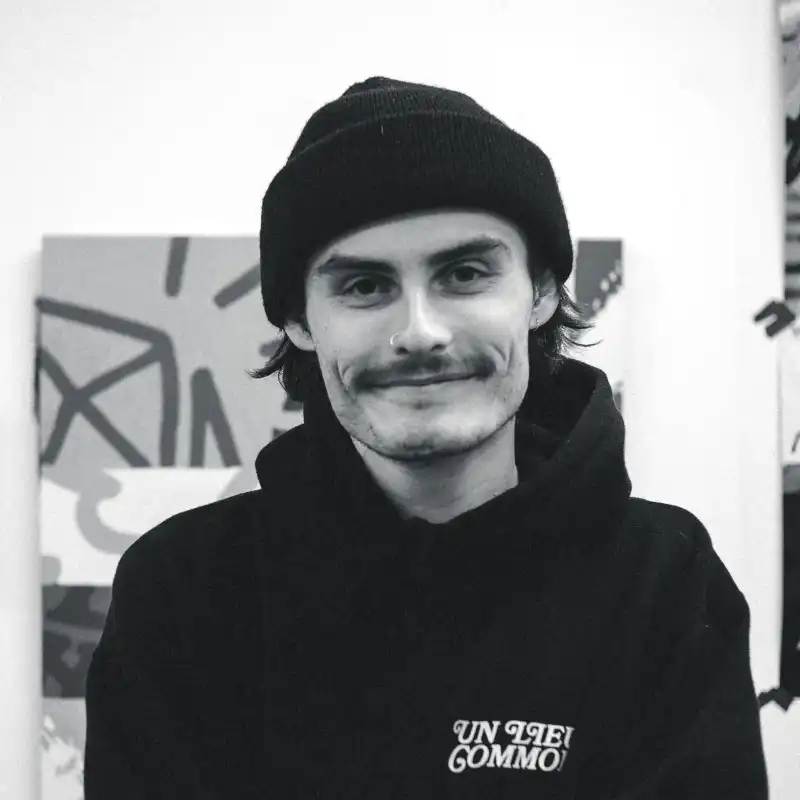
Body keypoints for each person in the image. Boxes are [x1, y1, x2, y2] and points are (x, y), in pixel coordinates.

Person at [83, 77, 769, 798]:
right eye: (364, 286)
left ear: (539, 292)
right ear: (299, 321)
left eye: (464, 274)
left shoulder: (663, 581)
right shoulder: (183, 589)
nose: (418, 332)